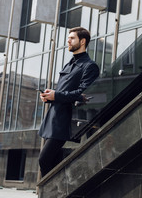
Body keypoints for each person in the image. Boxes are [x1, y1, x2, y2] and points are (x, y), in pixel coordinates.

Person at [38, 27, 99, 177]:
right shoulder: (69, 64)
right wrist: (48, 96)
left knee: (44, 160)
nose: (68, 41)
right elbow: (64, 91)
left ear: (82, 41)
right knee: (53, 162)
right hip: (54, 117)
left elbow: (83, 94)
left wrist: (56, 95)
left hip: (65, 120)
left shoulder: (90, 66)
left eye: (72, 38)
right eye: (68, 38)